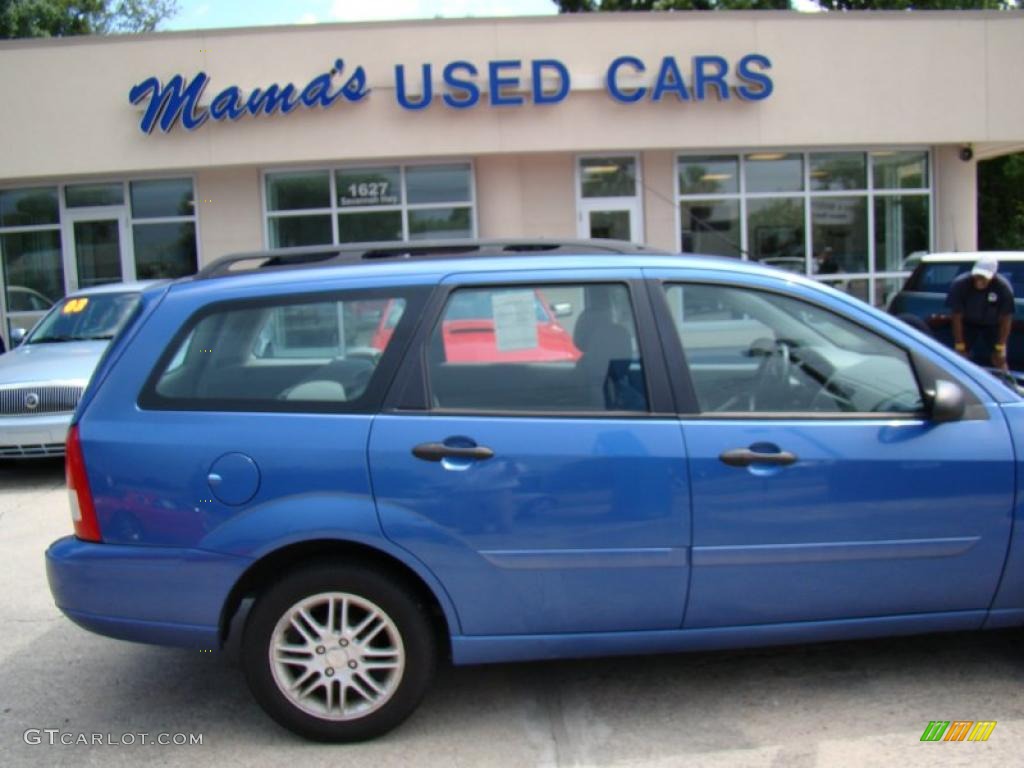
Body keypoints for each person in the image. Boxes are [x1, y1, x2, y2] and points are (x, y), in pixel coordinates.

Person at [946, 256, 1015, 370]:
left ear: (993, 275)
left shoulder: (1003, 287)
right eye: (977, 275)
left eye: (984, 277)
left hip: (993, 324)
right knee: (959, 357)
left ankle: (1006, 384)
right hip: (967, 323)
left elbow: (1006, 318)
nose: (979, 280)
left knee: (999, 359)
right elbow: (956, 316)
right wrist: (960, 344)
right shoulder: (960, 284)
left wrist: (1000, 346)